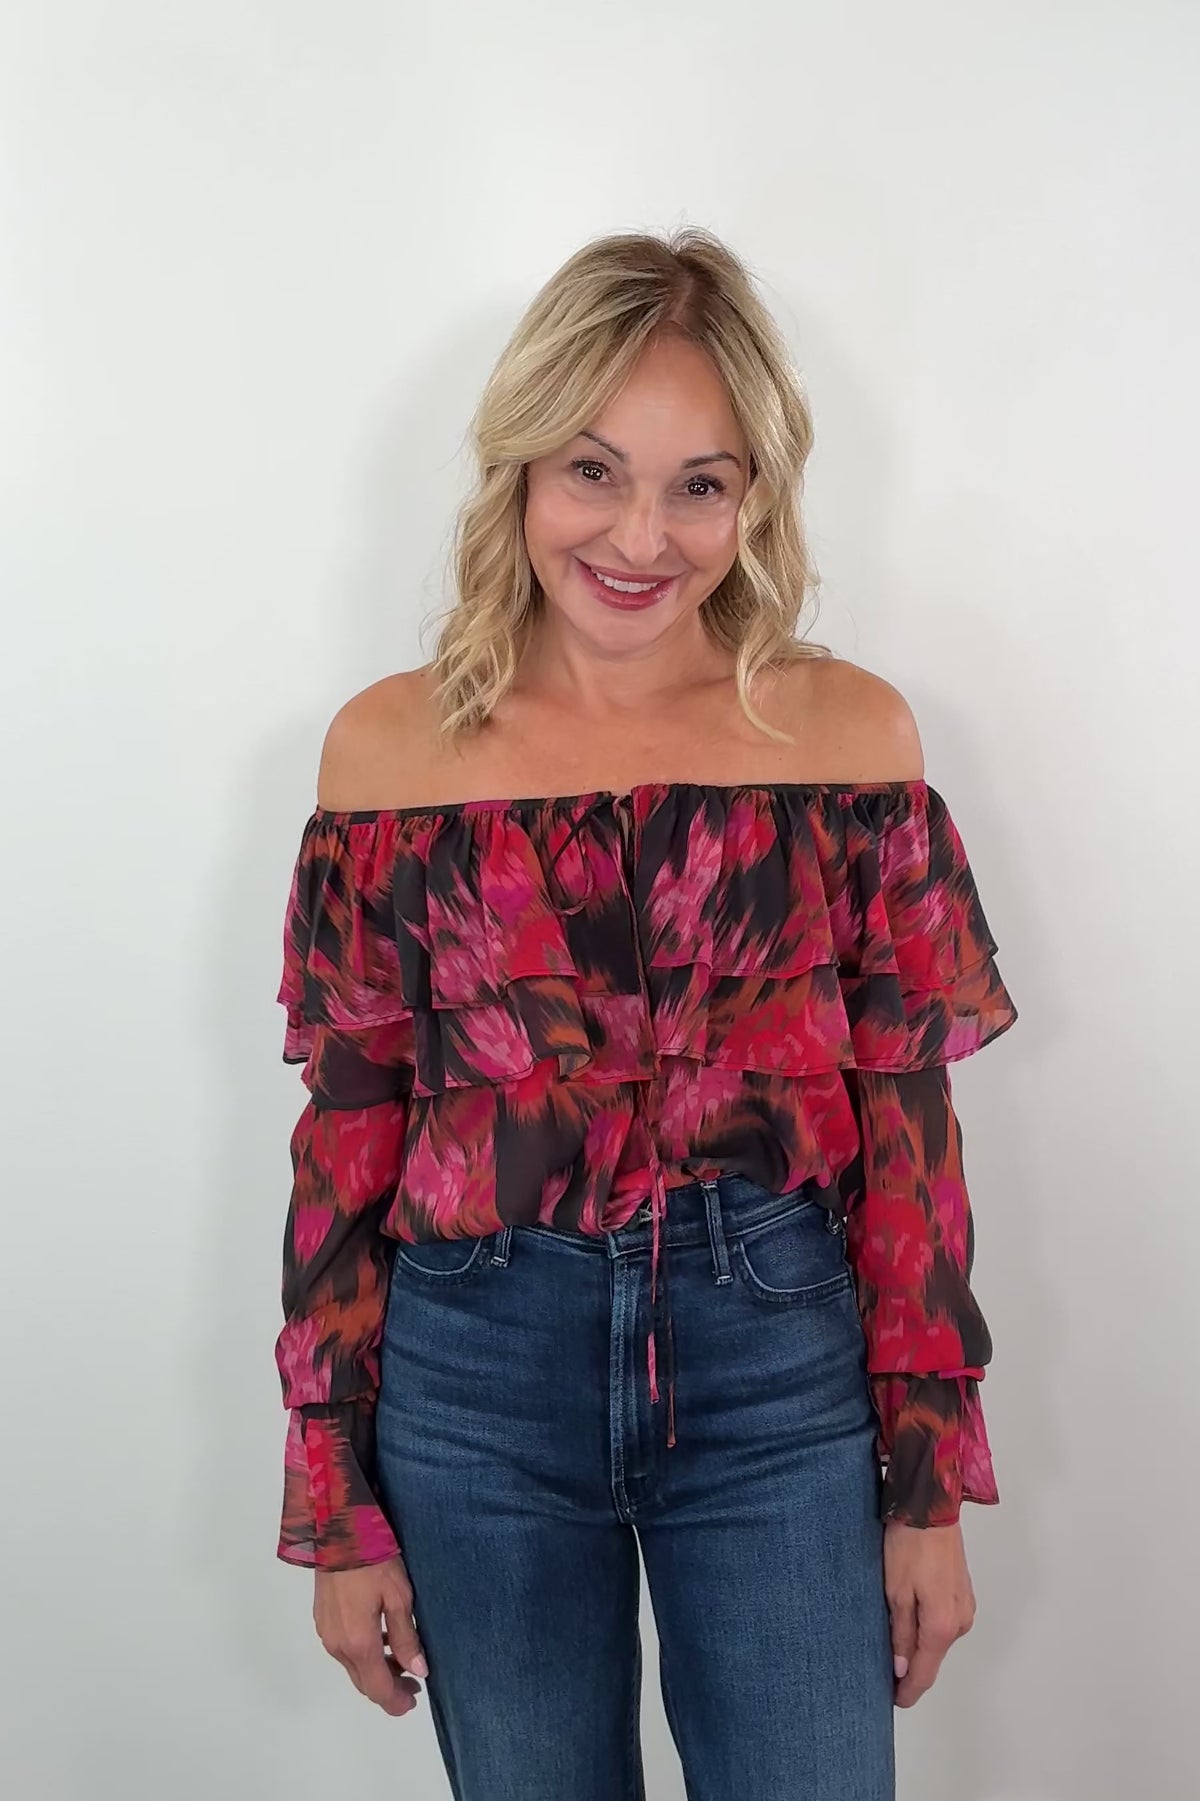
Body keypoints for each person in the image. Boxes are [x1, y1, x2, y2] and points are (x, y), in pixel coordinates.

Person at [272, 227, 1017, 1800]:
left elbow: (909, 1136)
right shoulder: (390, 759)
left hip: (776, 1374)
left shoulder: (844, 739)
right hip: (474, 1382)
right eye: (593, 470)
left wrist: (926, 1479)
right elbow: (348, 1140)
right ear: (522, 472)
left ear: (757, 498)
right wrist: (334, 1497)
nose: (639, 534)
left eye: (701, 482)